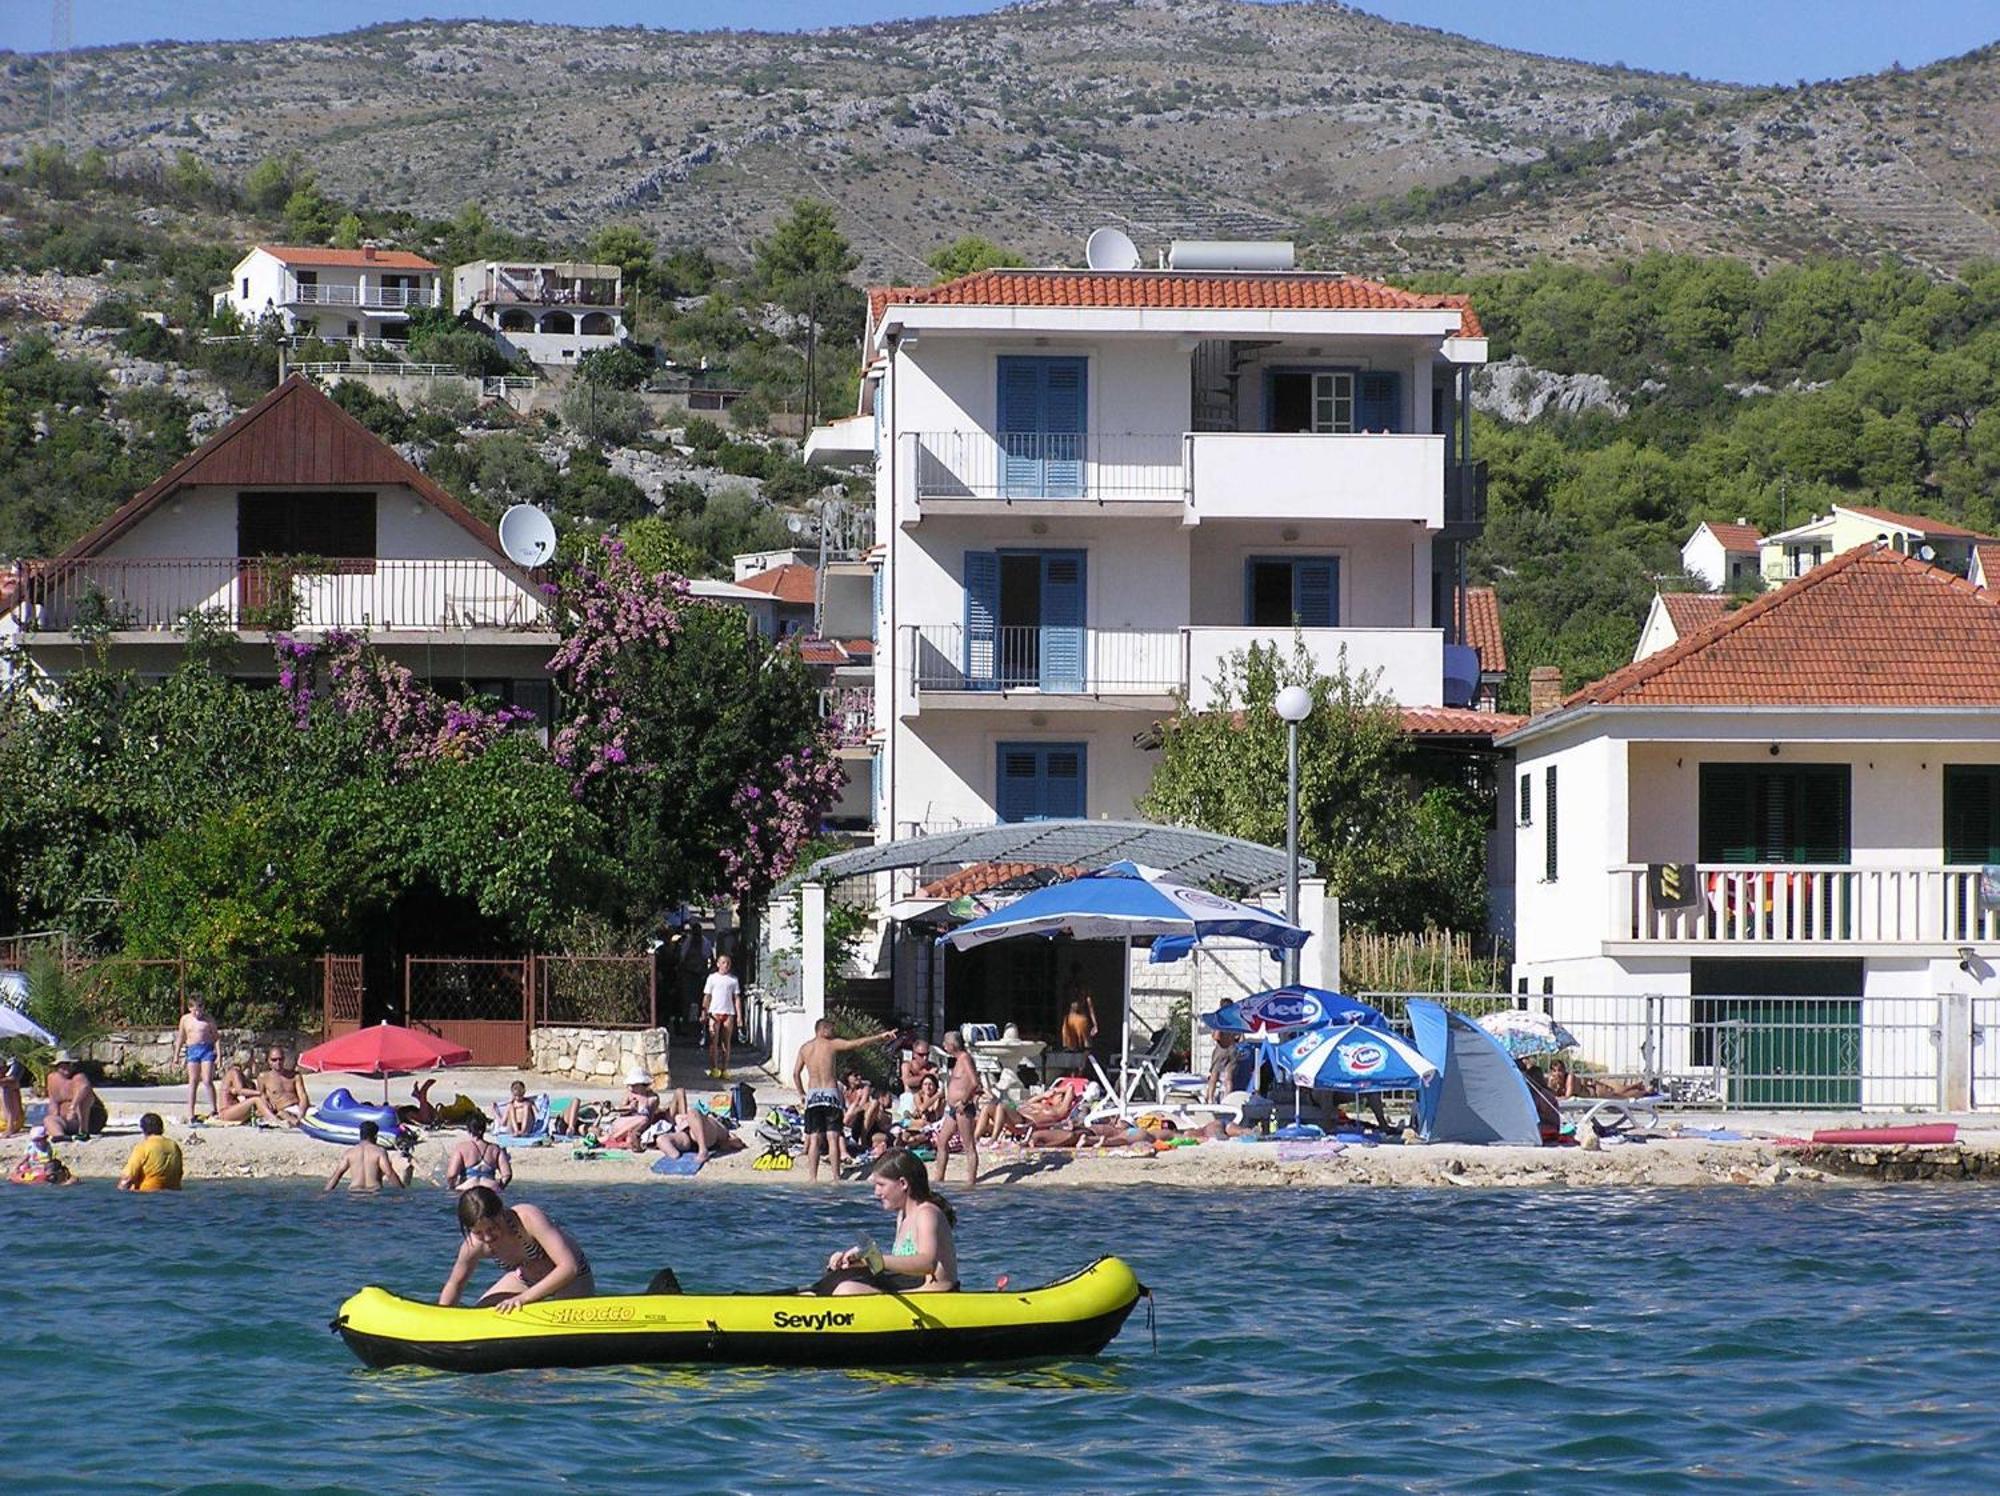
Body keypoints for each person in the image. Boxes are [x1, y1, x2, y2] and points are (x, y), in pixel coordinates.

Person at [815, 1149, 959, 1295]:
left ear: (903, 1183)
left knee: (847, 1290)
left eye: (881, 1185)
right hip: (912, 1290)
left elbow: (927, 1264)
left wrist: (873, 1259)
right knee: (839, 1277)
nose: (876, 1192)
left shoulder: (927, 1213)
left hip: (935, 1296)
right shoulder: (902, 1215)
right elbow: (903, 1272)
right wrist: (855, 1261)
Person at [440, 1186, 594, 1312]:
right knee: (483, 1312)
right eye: (478, 1232)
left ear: (502, 1212)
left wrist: (523, 1298)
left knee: (562, 1320)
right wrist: (441, 1317)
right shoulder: (473, 1246)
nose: (487, 1237)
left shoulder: (527, 1219)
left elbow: (569, 1267)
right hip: (526, 1279)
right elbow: (455, 1284)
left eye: (492, 1228)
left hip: (572, 1278)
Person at [791, 1016, 897, 1183]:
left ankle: (812, 1178)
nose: (834, 1033)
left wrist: (802, 1094)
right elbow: (856, 1043)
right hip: (830, 1095)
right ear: (823, 1030)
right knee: (833, 1137)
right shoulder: (831, 1044)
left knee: (814, 1138)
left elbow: (795, 1073)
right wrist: (880, 1037)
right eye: (831, 1029)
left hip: (813, 1096)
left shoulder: (805, 1048)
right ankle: (836, 1178)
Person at [935, 1031, 983, 1188]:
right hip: (952, 1109)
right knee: (942, 1141)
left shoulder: (965, 1059)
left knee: (968, 1145)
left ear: (952, 1045)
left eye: (945, 1043)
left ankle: (971, 1182)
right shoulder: (957, 1060)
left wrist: (964, 1101)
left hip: (963, 1108)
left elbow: (975, 1082)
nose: (943, 1046)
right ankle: (939, 1178)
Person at [323, 1119, 408, 1193]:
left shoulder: (349, 1153)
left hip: (354, 1193)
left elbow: (337, 1175)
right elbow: (389, 1173)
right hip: (373, 1192)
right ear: (375, 1136)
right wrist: (401, 1192)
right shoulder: (379, 1152)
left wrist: (325, 1192)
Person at [176, 996, 219, 1123]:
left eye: (200, 1010)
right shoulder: (185, 1019)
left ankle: (214, 1109)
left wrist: (219, 1055)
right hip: (192, 1049)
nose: (198, 1013)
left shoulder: (208, 1020)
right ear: (190, 1008)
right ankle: (191, 1112)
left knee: (207, 1080)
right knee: (193, 1081)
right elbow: (181, 1037)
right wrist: (176, 1055)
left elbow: (216, 1037)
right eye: (195, 1010)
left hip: (206, 1049)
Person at [118, 1112, 184, 1192]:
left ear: (143, 1129)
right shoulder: (174, 1146)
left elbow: (127, 1178)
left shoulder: (143, 1147)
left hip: (147, 1194)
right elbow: (179, 1174)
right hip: (173, 1195)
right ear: (161, 1128)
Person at [445, 1114, 512, 1192]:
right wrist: (500, 1186)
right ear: (484, 1129)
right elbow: (507, 1175)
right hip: (490, 1188)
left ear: (468, 1129)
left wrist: (452, 1187)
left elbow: (452, 1175)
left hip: (467, 1187)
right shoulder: (496, 1149)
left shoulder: (461, 1148)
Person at [42, 1058, 103, 1141]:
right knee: (48, 1119)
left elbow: (84, 1088)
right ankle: (60, 1136)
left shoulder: (79, 1077)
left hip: (89, 1120)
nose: (66, 1068)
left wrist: (73, 1107)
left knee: (84, 1098)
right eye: (62, 1065)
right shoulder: (52, 1079)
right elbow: (53, 1102)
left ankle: (83, 1132)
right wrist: (55, 1117)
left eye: (68, 1064)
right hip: (67, 1121)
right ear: (57, 1067)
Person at [598, 1070, 660, 1149]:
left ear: (642, 1085)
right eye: (630, 1085)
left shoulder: (652, 1097)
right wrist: (629, 1108)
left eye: (634, 1085)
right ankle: (614, 1137)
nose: (631, 1088)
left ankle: (613, 1142)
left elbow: (650, 1115)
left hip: (639, 1128)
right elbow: (622, 1113)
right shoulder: (629, 1095)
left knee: (631, 1140)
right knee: (643, 1119)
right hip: (624, 1124)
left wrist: (642, 1105)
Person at [702, 954, 741, 1079]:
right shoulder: (712, 978)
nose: (726, 965)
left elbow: (737, 998)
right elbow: (707, 996)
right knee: (714, 1041)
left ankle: (724, 1069)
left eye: (728, 963)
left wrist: (739, 1016)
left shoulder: (733, 980)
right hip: (714, 1012)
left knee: (726, 1043)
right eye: (723, 962)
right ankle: (714, 1068)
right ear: (718, 964)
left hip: (728, 1013)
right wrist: (704, 1011)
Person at [1548, 1058, 1649, 1101]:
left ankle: (1645, 1092)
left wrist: (1555, 1096)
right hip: (1593, 1088)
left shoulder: (1570, 1077)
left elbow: (1567, 1096)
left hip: (1597, 1092)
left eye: (1560, 1070)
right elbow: (1551, 1094)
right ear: (1551, 1072)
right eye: (1555, 1071)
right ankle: (1636, 1086)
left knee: (1623, 1096)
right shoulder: (1554, 1081)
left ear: (1564, 1070)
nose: (1558, 1073)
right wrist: (1552, 1087)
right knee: (1621, 1092)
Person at [256, 1048, 310, 1127]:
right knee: (287, 1116)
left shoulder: (294, 1076)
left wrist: (301, 1113)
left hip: (297, 1107)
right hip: (282, 1110)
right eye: (274, 1060)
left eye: (280, 1059)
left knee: (319, 1115)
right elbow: (261, 1095)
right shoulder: (264, 1077)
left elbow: (303, 1096)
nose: (278, 1062)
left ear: (284, 1059)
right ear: (268, 1061)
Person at [1203, 1030, 1243, 1104]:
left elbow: (1216, 1036)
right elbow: (1240, 1039)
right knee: (1228, 1079)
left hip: (1221, 1049)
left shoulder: (1221, 1022)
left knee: (1214, 1075)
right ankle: (1227, 1100)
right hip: (1232, 1049)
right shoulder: (1235, 1023)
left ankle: (1210, 1099)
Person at [1, 1049, 25, 1135]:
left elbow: (10, 1110)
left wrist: (9, 1128)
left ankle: (10, 1127)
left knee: (4, 1089)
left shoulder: (9, 1083)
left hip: (10, 1122)